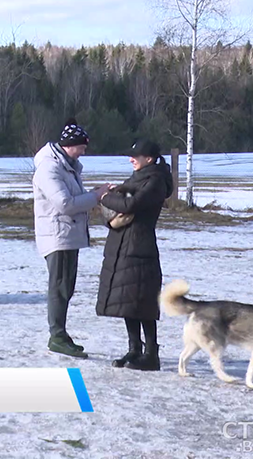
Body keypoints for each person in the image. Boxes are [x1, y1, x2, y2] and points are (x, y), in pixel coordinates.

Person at [32, 120, 109, 359]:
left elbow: (72, 198)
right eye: (82, 146)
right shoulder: (49, 169)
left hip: (67, 236)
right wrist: (96, 197)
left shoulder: (67, 167)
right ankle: (56, 335)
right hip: (58, 236)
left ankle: (60, 334)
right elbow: (65, 204)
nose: (85, 151)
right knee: (59, 287)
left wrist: (92, 193)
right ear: (70, 145)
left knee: (66, 287)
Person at [97, 138, 173, 371]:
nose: (131, 159)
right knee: (127, 300)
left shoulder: (155, 181)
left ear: (148, 159)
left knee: (144, 301)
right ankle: (134, 349)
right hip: (122, 244)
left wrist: (102, 197)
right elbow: (119, 206)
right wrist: (111, 211)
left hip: (140, 247)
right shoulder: (136, 179)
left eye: (136, 156)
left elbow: (131, 205)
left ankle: (151, 354)